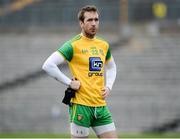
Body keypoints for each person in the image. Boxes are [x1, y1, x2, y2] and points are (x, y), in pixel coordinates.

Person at [42, 5, 117, 138]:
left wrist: (109, 86)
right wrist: (69, 82)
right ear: (81, 23)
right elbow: (48, 65)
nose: (93, 23)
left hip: (100, 106)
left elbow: (111, 67)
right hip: (81, 106)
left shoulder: (103, 45)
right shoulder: (73, 45)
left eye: (96, 19)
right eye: (89, 20)